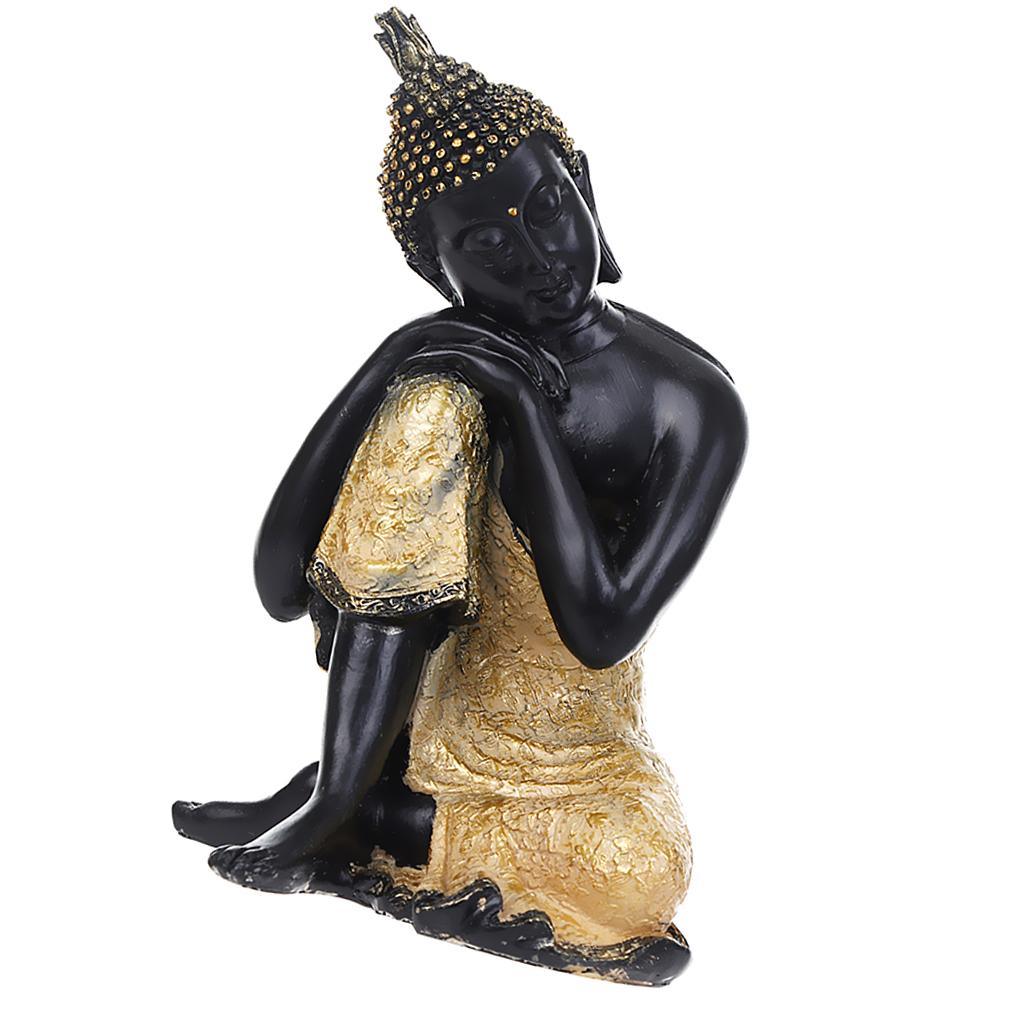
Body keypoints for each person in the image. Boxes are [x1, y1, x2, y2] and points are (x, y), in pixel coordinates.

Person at [174, 8, 746, 953]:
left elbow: (602, 630)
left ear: (584, 184)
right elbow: (280, 588)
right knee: (433, 403)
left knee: (640, 875)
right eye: (486, 246)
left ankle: (372, 817)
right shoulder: (445, 386)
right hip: (423, 730)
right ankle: (339, 796)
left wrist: (523, 407)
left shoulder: (689, 401)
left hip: (579, 767)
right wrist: (390, 361)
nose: (540, 260)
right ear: (433, 271)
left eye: (548, 208)